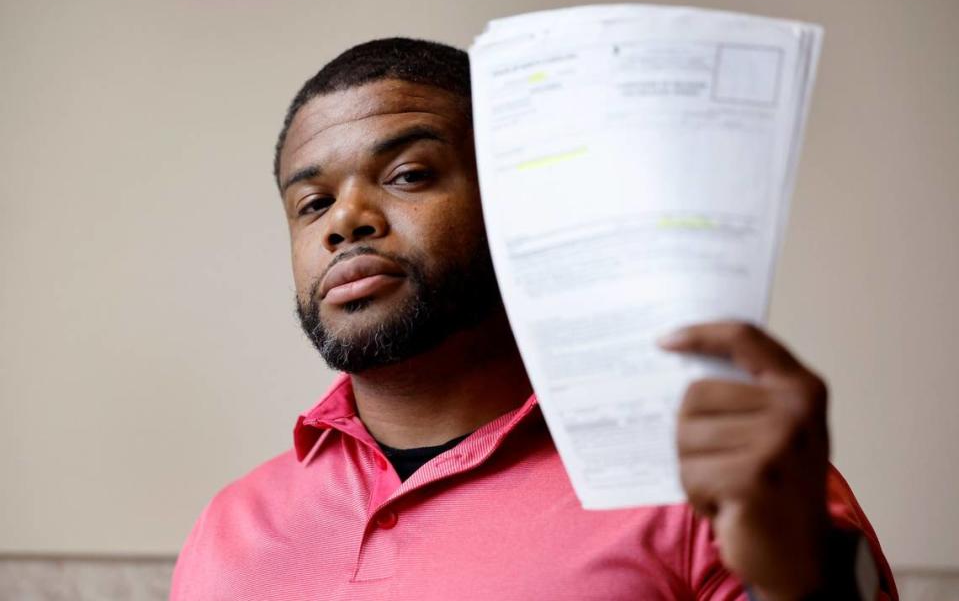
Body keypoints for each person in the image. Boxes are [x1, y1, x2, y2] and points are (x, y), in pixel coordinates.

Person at [170, 38, 896, 600]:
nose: (347, 222)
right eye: (312, 204)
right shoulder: (229, 524)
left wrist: (800, 575)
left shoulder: (719, 481)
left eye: (408, 175)